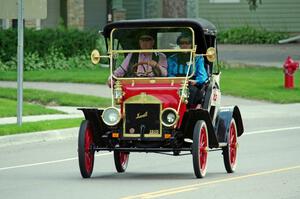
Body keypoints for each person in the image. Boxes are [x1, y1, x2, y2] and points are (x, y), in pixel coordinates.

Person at [167, 34, 208, 108]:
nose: (184, 45)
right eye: (182, 43)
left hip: (191, 84)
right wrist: (177, 81)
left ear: (191, 44)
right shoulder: (172, 59)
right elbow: (169, 74)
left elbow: (203, 76)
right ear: (179, 45)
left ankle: (188, 111)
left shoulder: (197, 58)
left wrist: (196, 81)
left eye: (187, 43)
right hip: (176, 84)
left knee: (191, 92)